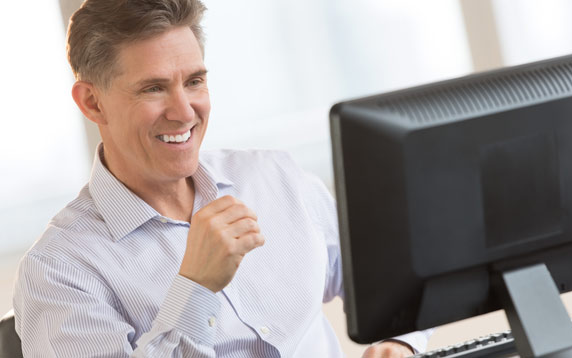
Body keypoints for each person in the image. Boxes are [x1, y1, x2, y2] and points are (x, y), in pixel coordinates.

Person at [12, 0, 432, 357]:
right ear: (92, 102)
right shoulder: (58, 272)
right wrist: (195, 286)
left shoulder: (275, 177)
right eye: (153, 88)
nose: (184, 111)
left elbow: (395, 280)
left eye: (194, 81)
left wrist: (399, 342)